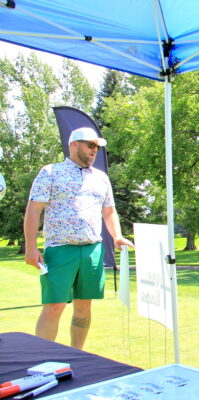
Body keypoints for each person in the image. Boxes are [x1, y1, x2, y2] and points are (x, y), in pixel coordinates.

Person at [24, 127, 134, 350]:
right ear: (74, 144)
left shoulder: (101, 178)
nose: (95, 150)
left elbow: (109, 211)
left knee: (84, 306)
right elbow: (33, 210)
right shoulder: (50, 172)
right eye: (90, 145)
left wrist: (117, 236)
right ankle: (43, 359)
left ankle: (77, 355)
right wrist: (31, 248)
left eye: (97, 147)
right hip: (59, 249)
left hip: (92, 250)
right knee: (54, 306)